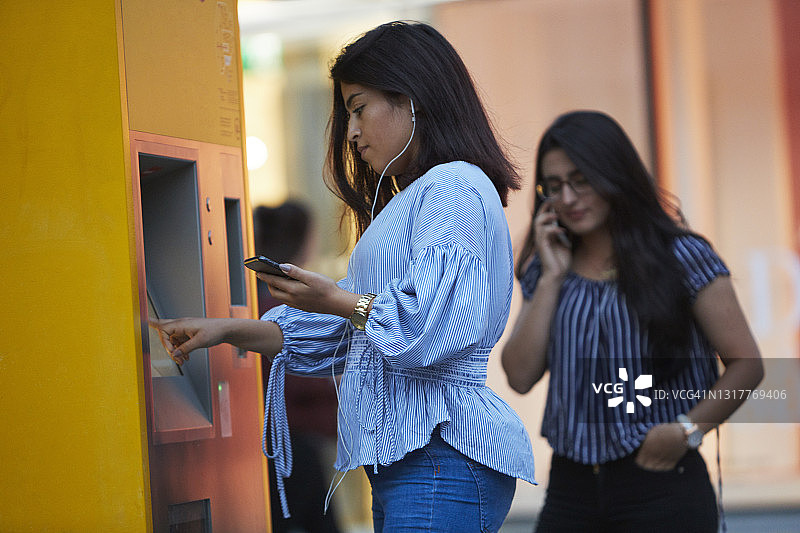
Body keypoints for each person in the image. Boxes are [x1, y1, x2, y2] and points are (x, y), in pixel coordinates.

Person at [153, 21, 537, 533]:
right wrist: (226, 330)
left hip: (440, 453)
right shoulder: (422, 194)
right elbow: (349, 336)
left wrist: (338, 298)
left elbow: (432, 330)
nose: (351, 133)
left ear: (411, 98)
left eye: (358, 109)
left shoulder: (453, 185)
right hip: (419, 460)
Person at [501, 110, 764, 532]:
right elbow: (519, 375)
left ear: (614, 174)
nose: (568, 198)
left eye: (581, 179)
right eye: (554, 187)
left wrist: (685, 431)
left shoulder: (682, 257)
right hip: (571, 486)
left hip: (662, 482)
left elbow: (747, 364)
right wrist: (551, 276)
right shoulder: (549, 266)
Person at [252, 202, 341, 533]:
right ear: (304, 243)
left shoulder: (252, 301)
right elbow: (304, 382)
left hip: (267, 450)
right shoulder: (293, 309)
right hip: (294, 451)